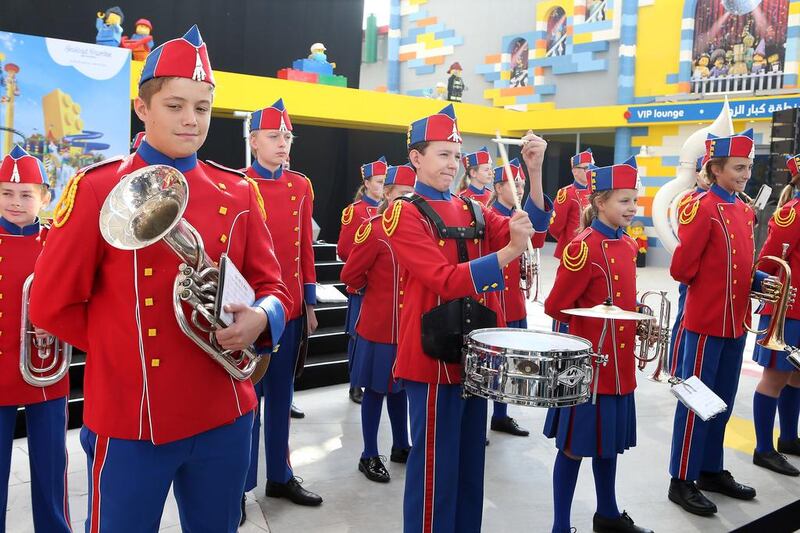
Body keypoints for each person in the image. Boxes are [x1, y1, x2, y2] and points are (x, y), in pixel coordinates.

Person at [28, 25, 291, 532]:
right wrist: (123, 350)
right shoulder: (97, 188)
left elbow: (275, 288)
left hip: (225, 412)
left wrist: (261, 317)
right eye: (174, 106)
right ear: (142, 108)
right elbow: (50, 304)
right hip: (131, 418)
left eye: (202, 106)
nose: (191, 120)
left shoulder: (237, 192)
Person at [385, 103, 551, 532]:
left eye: (456, 156)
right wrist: (509, 251)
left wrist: (533, 171)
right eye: (443, 154)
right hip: (431, 357)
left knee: (469, 469)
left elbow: (532, 228)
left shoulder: (471, 208)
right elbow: (443, 279)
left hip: (475, 355)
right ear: (416, 158)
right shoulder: (403, 212)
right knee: (434, 471)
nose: (452, 164)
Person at [544, 157, 653, 533]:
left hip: (619, 365)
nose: (632, 208)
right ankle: (560, 525)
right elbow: (555, 306)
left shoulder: (626, 245)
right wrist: (599, 311)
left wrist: (636, 313)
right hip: (587, 366)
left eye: (634, 201)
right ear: (600, 202)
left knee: (608, 444)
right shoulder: (582, 246)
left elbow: (621, 298)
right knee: (574, 447)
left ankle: (607, 515)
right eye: (624, 201)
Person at [667, 129, 771, 516]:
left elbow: (742, 265)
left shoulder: (744, 210)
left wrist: (759, 280)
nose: (746, 174)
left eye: (749, 167)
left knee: (722, 403)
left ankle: (709, 469)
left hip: (735, 323)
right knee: (696, 404)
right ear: (715, 168)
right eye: (739, 167)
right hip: (705, 321)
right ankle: (681, 478)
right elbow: (682, 269)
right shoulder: (700, 206)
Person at [243, 98, 322, 508]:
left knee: (281, 396)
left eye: (287, 136)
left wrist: (309, 302)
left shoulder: (301, 185)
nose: (282, 144)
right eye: (274, 136)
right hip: (250, 313)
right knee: (244, 404)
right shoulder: (238, 183)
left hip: (289, 310)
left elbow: (304, 248)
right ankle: (239, 486)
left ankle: (280, 475)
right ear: (254, 140)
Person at [0, 145, 71, 532]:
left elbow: (79, 296)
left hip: (46, 372)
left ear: (45, 197)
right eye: (6, 193)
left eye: (26, 193)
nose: (15, 202)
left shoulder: (56, 241)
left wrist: (59, 321)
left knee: (51, 469)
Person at [340, 163, 415, 483]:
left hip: (408, 326)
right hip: (378, 326)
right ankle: (368, 454)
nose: (409, 202)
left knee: (399, 390)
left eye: (414, 196)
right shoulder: (374, 229)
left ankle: (401, 445)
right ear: (387, 194)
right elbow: (350, 275)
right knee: (374, 390)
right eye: (403, 196)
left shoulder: (420, 229)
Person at [749, 153, 800, 477]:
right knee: (775, 378)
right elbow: (768, 261)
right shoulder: (791, 213)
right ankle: (763, 448)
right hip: (788, 309)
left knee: (797, 377)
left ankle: (789, 438)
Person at [484, 157, 534, 438]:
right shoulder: (490, 216)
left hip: (513, 299)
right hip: (494, 299)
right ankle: (482, 419)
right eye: (515, 184)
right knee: (489, 363)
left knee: (510, 362)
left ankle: (501, 415)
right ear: (499, 186)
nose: (520, 188)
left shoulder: (519, 213)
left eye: (522, 183)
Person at [338, 156, 386, 405]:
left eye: (385, 181)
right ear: (367, 183)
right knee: (357, 336)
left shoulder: (392, 212)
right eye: (379, 181)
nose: (382, 186)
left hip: (383, 288)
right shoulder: (354, 212)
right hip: (362, 286)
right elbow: (345, 251)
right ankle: (355, 383)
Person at [667, 156, 710, 378]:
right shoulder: (690, 200)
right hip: (693, 273)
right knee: (684, 320)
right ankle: (675, 369)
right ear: (697, 174)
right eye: (705, 171)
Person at [549, 149, 593, 334]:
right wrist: (569, 244)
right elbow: (555, 227)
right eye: (585, 168)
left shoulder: (597, 192)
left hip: (592, 254)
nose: (590, 172)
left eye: (592, 168)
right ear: (575, 171)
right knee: (566, 298)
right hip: (573, 255)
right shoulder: (566, 193)